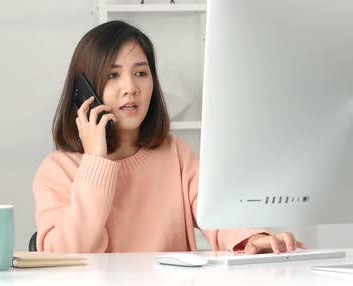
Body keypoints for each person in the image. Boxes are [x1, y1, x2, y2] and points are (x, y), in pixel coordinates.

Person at [33, 20, 307, 257]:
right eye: (112, 75)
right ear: (85, 91)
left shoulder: (175, 153)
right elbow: (66, 257)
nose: (131, 88)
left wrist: (252, 239)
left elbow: (218, 215)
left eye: (141, 73)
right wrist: (95, 161)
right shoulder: (57, 170)